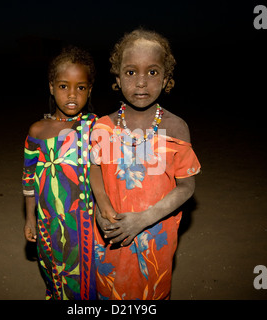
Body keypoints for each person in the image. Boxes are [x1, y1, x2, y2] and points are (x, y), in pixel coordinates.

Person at [89, 28, 201, 300]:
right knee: (110, 291)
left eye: (152, 72)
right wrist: (100, 210)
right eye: (130, 72)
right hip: (111, 234)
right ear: (117, 77)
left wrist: (144, 219)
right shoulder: (103, 127)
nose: (141, 82)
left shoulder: (176, 128)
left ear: (166, 78)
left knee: (152, 293)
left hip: (155, 234)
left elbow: (186, 186)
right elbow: (94, 169)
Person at [22, 46, 98, 300]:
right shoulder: (37, 131)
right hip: (49, 222)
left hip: (86, 224)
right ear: (52, 87)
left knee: (87, 284)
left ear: (90, 90)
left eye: (81, 87)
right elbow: (28, 179)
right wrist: (30, 217)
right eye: (64, 86)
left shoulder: (95, 127)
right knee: (56, 275)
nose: (72, 94)